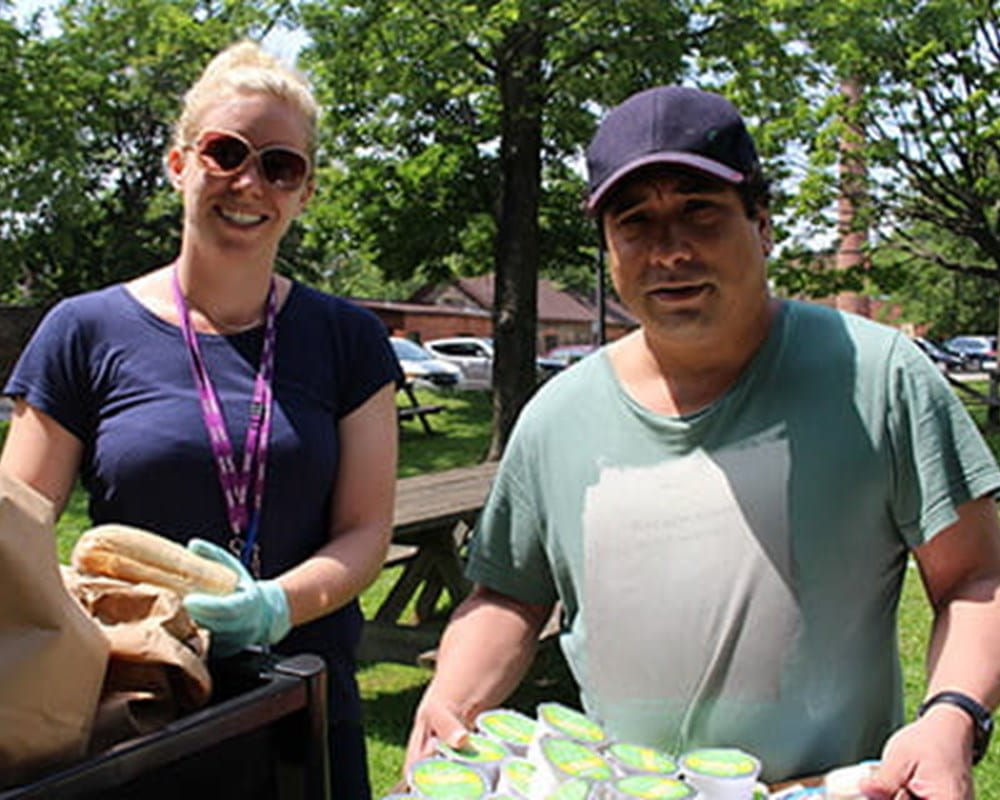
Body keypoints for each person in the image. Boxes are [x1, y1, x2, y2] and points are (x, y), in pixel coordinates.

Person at [404, 85, 1000, 798]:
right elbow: (509, 597)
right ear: (608, 247)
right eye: (635, 222)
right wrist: (456, 696)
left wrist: (952, 717)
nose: (670, 250)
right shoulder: (556, 417)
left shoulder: (877, 378)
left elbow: (976, 578)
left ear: (763, 223)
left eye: (700, 212)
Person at [0, 41, 401, 799]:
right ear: (180, 165)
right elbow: (14, 534)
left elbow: (364, 530)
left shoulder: (349, 339)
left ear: (306, 191)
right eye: (226, 152)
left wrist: (277, 604)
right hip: (139, 710)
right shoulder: (84, 332)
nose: (250, 182)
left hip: (303, 707)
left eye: (281, 165)